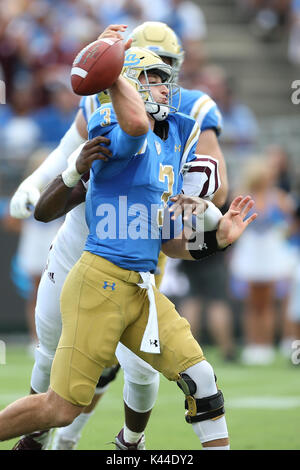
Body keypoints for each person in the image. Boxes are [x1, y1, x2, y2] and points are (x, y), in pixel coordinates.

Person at [0, 46, 257, 451]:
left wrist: (216, 240)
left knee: (202, 379)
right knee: (61, 407)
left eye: (163, 79)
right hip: (99, 281)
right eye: (151, 79)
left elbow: (169, 243)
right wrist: (109, 73)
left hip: (143, 287)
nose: (163, 88)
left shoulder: (174, 138)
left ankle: (128, 446)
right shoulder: (114, 125)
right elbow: (133, 125)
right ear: (128, 85)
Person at [230, 157, 294, 365]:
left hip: (269, 251)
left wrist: (281, 233)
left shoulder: (279, 197)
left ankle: (264, 345)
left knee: (266, 302)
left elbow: (290, 222)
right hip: (250, 250)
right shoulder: (240, 196)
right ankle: (253, 345)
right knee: (252, 303)